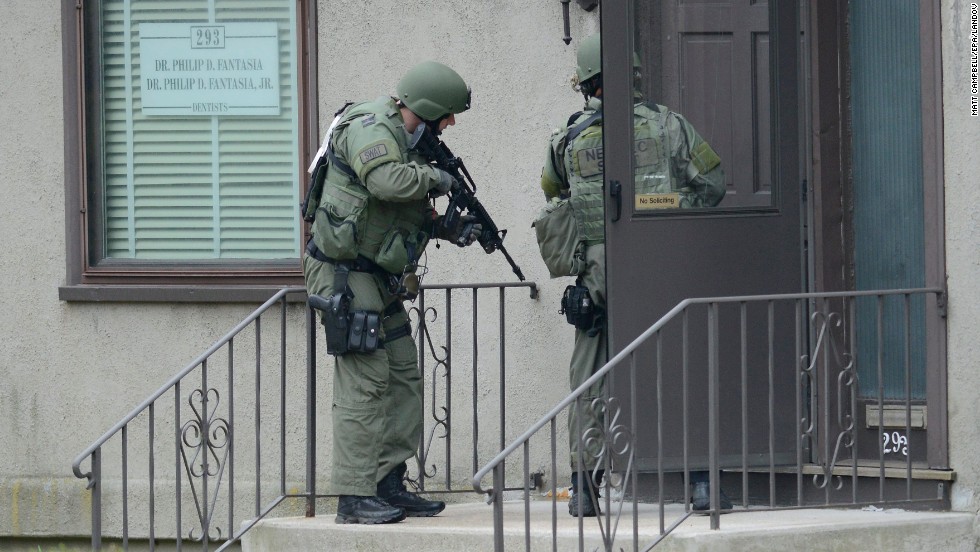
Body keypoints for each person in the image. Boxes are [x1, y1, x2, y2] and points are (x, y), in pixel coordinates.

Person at [535, 33, 727, 517]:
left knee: (591, 373)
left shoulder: (567, 138)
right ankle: (702, 481)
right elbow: (713, 186)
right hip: (662, 260)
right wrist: (670, 209)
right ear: (635, 76)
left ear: (586, 83)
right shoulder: (668, 126)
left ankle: (583, 486)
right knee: (679, 364)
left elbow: (555, 195)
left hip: (598, 272)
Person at [303, 60, 481, 525]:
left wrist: (447, 226)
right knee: (365, 381)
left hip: (378, 277)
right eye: (446, 116)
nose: (450, 125)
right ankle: (353, 495)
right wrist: (439, 180)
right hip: (343, 273)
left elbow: (392, 213)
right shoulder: (370, 127)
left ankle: (387, 484)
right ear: (424, 108)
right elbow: (384, 182)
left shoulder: (409, 144)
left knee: (402, 374)